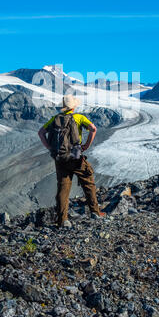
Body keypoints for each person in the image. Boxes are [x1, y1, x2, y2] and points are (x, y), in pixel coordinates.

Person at [38, 94, 105, 228]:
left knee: (63, 188)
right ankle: (95, 212)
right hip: (75, 155)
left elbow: (41, 133)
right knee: (88, 181)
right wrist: (86, 145)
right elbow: (93, 129)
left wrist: (50, 148)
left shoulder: (55, 119)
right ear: (73, 106)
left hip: (60, 157)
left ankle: (63, 220)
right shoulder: (79, 117)